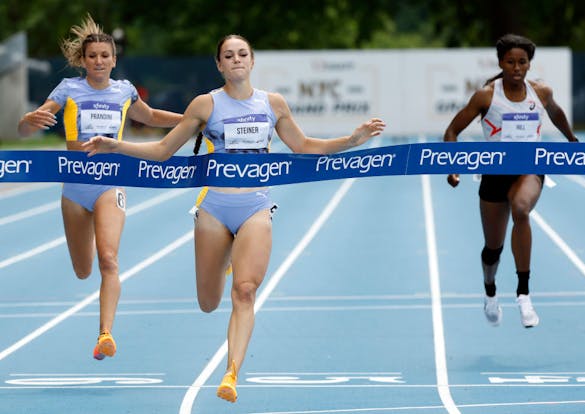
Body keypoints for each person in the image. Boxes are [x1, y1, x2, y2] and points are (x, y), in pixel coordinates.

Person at [83, 34, 385, 402]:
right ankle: (226, 255)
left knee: (244, 291)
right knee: (208, 302)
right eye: (229, 55)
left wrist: (352, 139)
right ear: (220, 65)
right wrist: (116, 145)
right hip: (214, 210)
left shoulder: (272, 104)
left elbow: (304, 146)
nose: (237, 59)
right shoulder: (206, 105)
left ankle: (231, 374)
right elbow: (163, 150)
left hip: (256, 206)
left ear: (252, 61)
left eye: (243, 53)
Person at [17, 14, 182, 360]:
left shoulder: (124, 91)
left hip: (111, 183)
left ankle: (105, 334)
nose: (99, 61)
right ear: (83, 60)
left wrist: (192, 120)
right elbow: (26, 130)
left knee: (109, 260)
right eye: (92, 56)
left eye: (105, 56)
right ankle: (89, 233)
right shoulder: (67, 90)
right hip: (76, 187)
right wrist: (27, 122)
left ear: (114, 59)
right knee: (83, 269)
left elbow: (149, 117)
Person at [442, 33, 578, 329]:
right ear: (501, 63)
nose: (517, 68)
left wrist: (571, 139)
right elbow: (452, 131)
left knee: (521, 209)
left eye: (523, 62)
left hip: (529, 168)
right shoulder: (487, 96)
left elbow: (555, 113)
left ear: (529, 64)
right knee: (493, 249)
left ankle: (524, 294)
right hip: (494, 173)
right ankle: (490, 290)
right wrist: (452, 166)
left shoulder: (540, 92)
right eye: (511, 62)